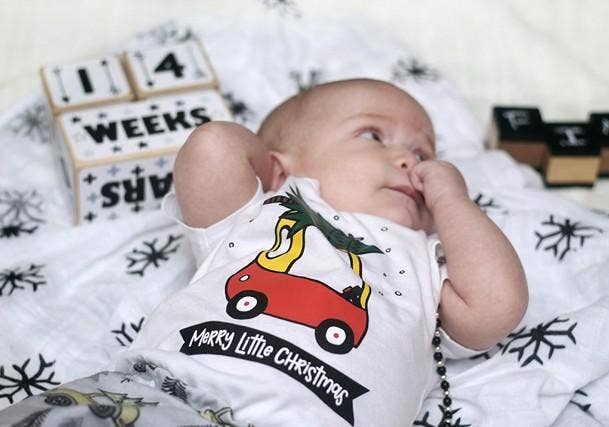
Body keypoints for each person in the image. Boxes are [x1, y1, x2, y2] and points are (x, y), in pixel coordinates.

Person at [0, 79, 527, 427]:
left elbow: (497, 307)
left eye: (424, 152)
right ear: (279, 166)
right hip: (160, 394)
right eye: (373, 134)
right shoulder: (263, 212)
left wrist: (454, 202)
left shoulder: (424, 260)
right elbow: (210, 147)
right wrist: (272, 176)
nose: (411, 160)